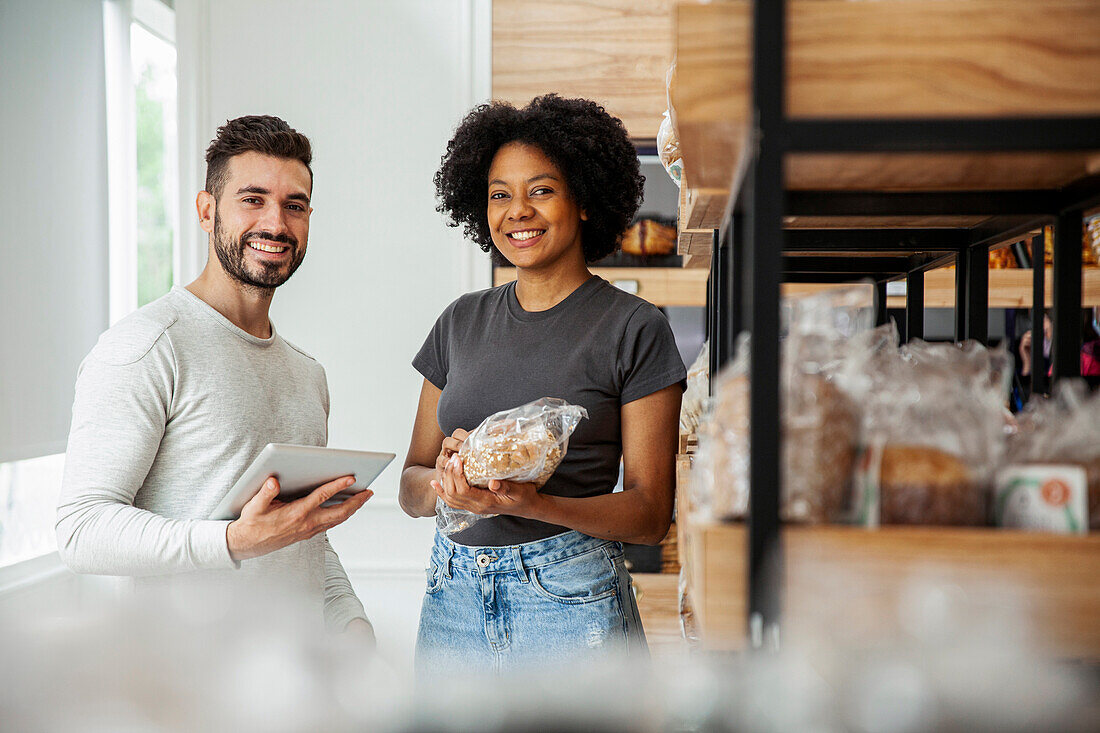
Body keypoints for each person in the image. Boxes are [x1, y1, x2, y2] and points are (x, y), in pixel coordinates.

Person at [56, 115, 374, 637]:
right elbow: (81, 528)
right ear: (207, 211)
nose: (275, 224)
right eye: (253, 199)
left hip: (290, 692)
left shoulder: (307, 374)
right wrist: (232, 542)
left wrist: (351, 627)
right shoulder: (149, 346)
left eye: (294, 206)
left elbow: (297, 535)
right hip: (185, 694)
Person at [399, 95, 685, 672]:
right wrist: (448, 486)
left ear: (582, 199)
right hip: (452, 596)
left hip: (569, 596)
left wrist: (538, 503)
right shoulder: (460, 321)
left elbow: (652, 516)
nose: (517, 211)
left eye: (541, 190)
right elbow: (410, 487)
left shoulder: (635, 327)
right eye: (499, 194)